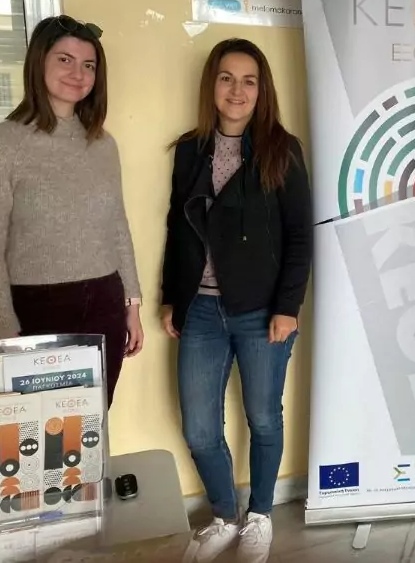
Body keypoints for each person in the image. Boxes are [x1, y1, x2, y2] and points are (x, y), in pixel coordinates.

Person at [161, 38, 312, 563]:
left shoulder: (281, 149)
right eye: (227, 77)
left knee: (264, 417)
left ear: (262, 90)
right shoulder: (190, 149)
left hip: (262, 310)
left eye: (250, 80)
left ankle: (261, 515)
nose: (237, 90)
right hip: (200, 310)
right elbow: (178, 230)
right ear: (212, 84)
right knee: (200, 428)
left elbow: (300, 235)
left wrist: (288, 307)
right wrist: (171, 298)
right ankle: (224, 517)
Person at [0, 15, 144, 406]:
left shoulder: (103, 144)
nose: (78, 74)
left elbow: (118, 226)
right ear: (39, 62)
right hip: (37, 311)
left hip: (105, 302)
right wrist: (6, 333)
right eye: (65, 59)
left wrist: (132, 304)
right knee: (41, 428)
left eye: (89, 65)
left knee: (94, 421)